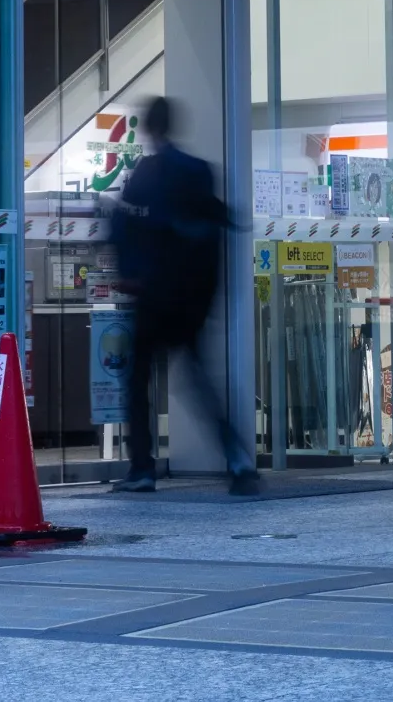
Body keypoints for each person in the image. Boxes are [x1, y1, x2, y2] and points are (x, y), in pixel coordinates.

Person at [106, 95, 261, 496]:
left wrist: (129, 274)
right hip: (192, 300)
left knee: (138, 379)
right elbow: (221, 224)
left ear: (148, 129)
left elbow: (123, 227)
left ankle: (142, 467)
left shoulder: (146, 173)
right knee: (199, 380)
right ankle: (239, 459)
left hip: (154, 296)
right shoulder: (200, 172)